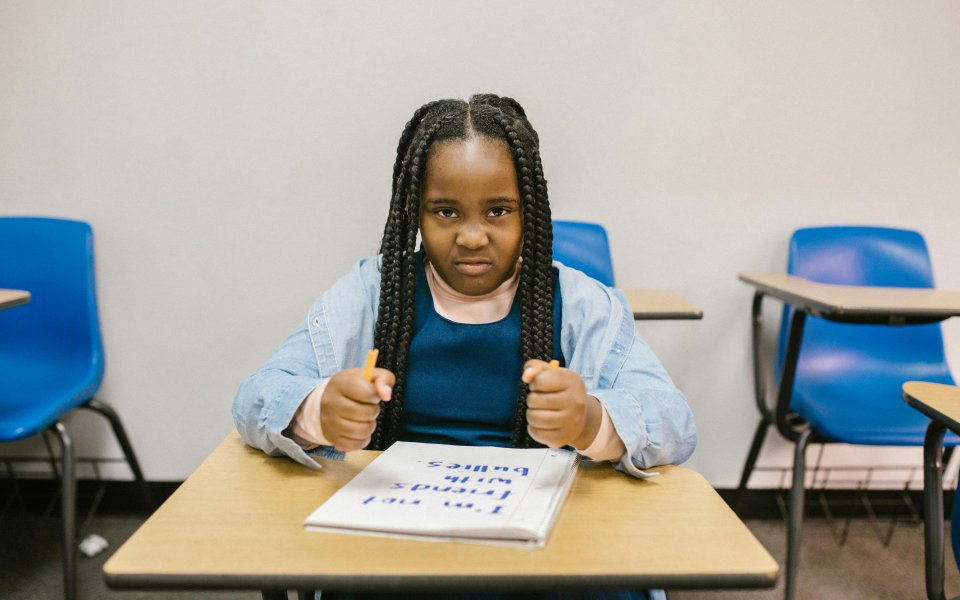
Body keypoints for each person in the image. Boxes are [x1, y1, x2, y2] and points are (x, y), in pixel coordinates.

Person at [232, 94, 696, 600]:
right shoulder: (372, 293)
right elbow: (257, 395)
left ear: (531, 213)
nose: (473, 236)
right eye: (446, 211)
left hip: (546, 544)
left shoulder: (585, 304)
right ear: (416, 211)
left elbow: (674, 421)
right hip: (396, 539)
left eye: (498, 210)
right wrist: (318, 409)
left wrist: (591, 421)